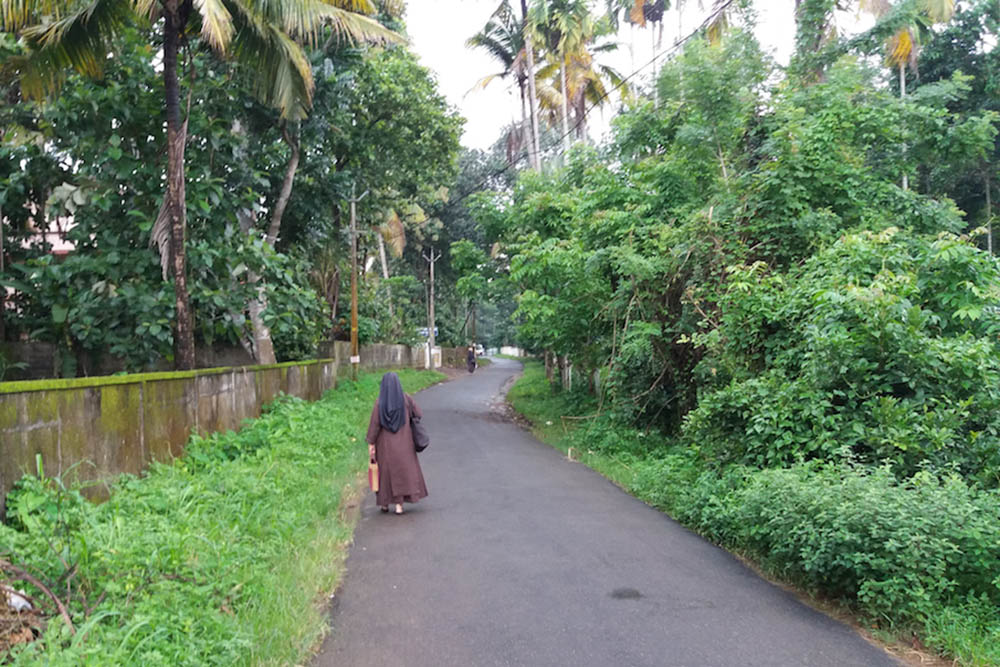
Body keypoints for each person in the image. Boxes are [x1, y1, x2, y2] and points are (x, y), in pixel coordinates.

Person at [366, 372, 428, 515]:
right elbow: (418, 413)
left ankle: (385, 504)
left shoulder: (379, 402)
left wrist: (371, 443)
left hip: (385, 446)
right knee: (403, 473)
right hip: (405, 443)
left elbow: (374, 425)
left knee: (386, 475)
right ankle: (399, 506)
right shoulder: (405, 399)